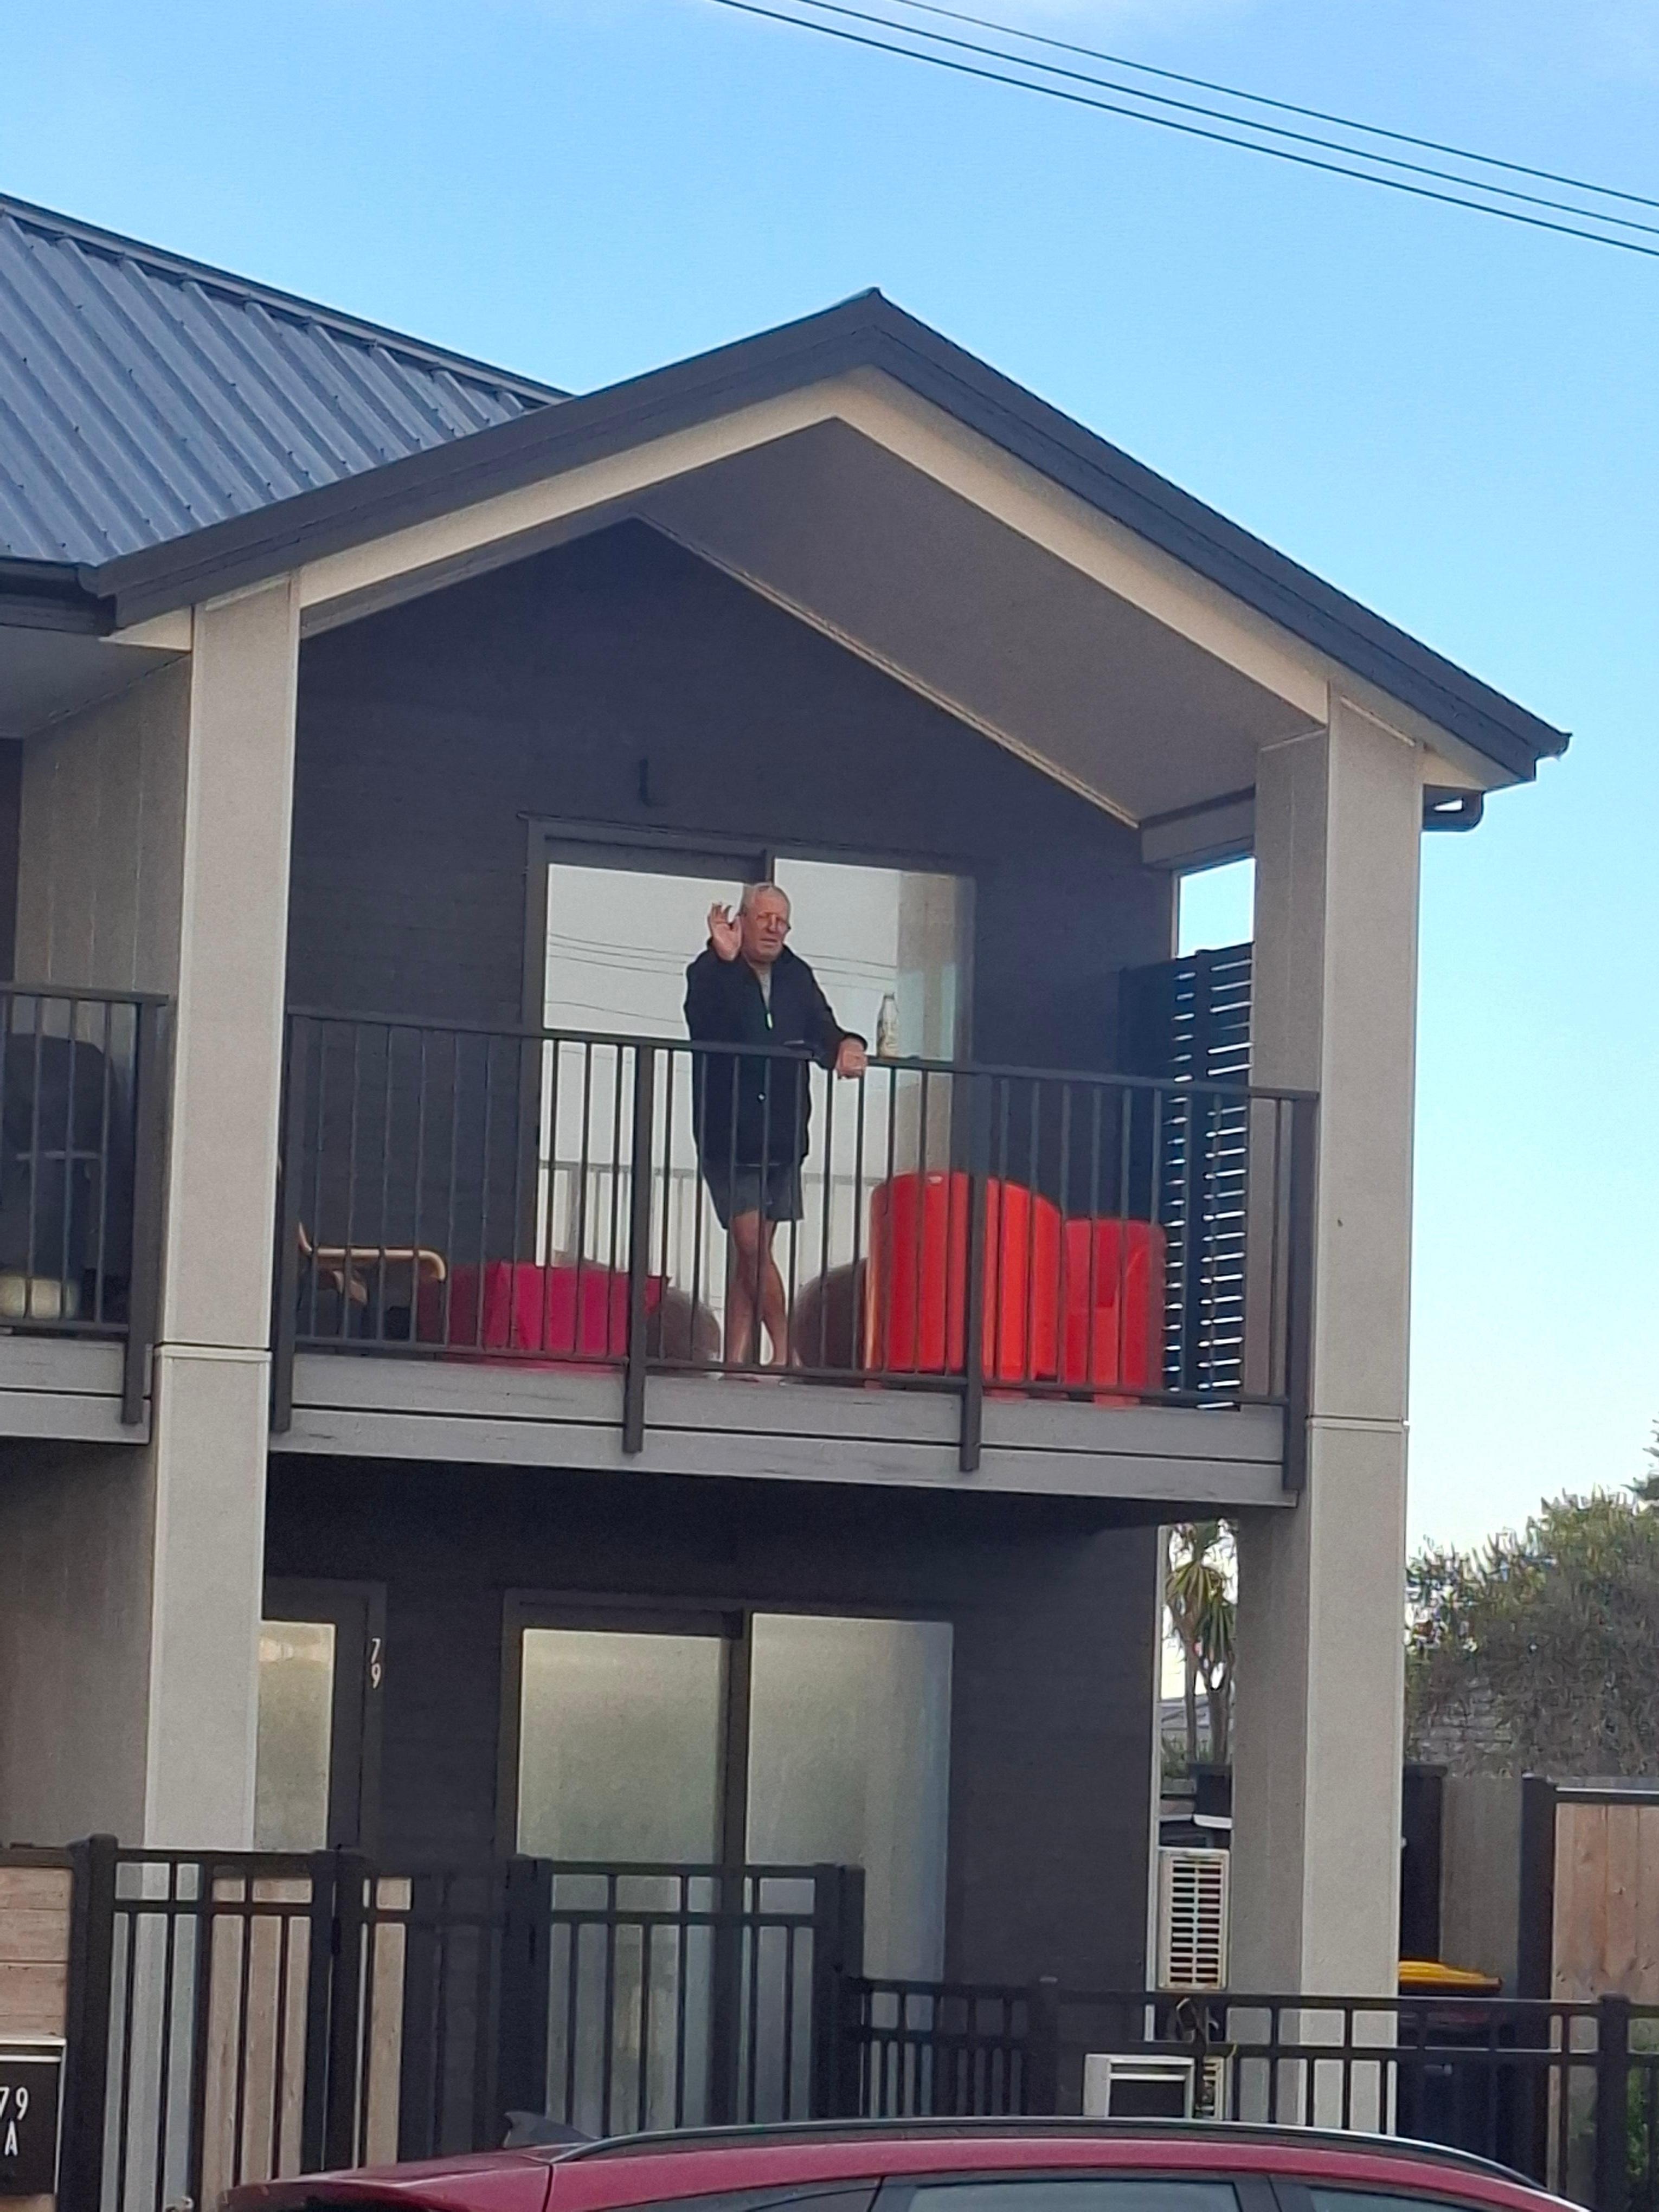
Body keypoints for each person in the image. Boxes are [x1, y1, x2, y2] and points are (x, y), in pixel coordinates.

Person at [684, 884, 866, 1365]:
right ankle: (786, 1351)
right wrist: (724, 962)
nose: (773, 928)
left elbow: (823, 1027)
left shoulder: (796, 974)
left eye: (781, 920)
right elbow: (705, 1023)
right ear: (740, 921)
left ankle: (735, 1358)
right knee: (750, 1246)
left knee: (754, 1253)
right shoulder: (709, 972)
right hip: (729, 1132)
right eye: (763, 918)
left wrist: (847, 1045)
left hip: (783, 1133)